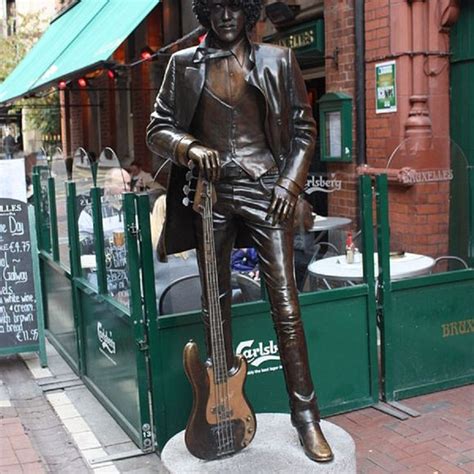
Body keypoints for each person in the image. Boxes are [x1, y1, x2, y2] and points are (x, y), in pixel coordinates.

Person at [146, 0, 333, 462]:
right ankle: (224, 412)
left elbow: (304, 131)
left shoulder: (278, 60)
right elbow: (157, 128)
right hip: (211, 194)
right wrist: (188, 146)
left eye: (235, 7)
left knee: (286, 306)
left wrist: (290, 184)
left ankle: (306, 419)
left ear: (248, 12)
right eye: (217, 8)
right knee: (215, 304)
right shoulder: (183, 64)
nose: (227, 16)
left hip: (267, 190)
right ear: (206, 13)